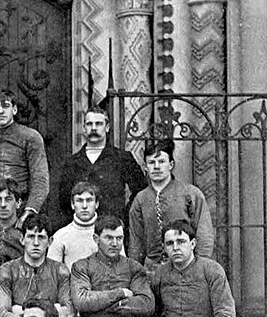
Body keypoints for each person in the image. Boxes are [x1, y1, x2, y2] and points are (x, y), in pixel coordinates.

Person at [128, 139, 214, 269]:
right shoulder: (140, 199)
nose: (156, 167)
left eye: (161, 161)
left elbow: (204, 235)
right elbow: (136, 242)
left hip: (186, 267)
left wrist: (198, 267)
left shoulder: (191, 194)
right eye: (151, 162)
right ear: (145, 167)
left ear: (171, 164)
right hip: (153, 271)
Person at [0, 89, 49, 226]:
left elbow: (40, 178)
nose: (0, 111)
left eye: (5, 106)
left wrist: (30, 211)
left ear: (15, 109)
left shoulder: (30, 137)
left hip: (19, 208)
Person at [58, 106, 147, 225]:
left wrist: (123, 216)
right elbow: (64, 200)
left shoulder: (122, 158)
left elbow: (141, 191)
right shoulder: (72, 162)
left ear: (107, 127)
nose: (93, 128)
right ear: (84, 128)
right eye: (89, 124)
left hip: (112, 229)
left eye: (99, 124)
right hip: (81, 228)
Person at [49, 181, 107, 269]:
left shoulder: (110, 234)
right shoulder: (60, 236)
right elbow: (51, 274)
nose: (84, 206)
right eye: (79, 201)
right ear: (73, 204)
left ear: (97, 204)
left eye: (89, 200)